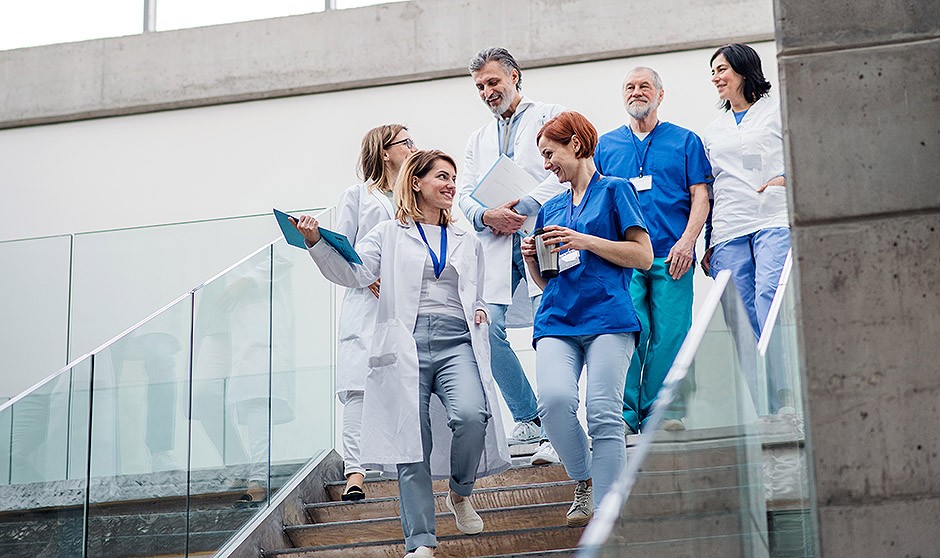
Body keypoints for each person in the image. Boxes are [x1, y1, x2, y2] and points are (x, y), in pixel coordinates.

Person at [295, 150, 511, 558]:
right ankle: (421, 543)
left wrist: (480, 306)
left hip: (456, 342)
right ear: (416, 182)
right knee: (412, 446)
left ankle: (461, 492)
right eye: (442, 177)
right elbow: (356, 274)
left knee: (471, 416)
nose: (451, 185)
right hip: (406, 343)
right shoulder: (388, 234)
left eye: (453, 178)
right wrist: (315, 242)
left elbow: (474, 290)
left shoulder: (466, 238)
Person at [521, 112, 652, 527]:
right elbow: (547, 279)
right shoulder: (551, 207)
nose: (546, 165)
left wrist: (584, 241)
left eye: (549, 154)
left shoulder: (615, 190)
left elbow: (643, 256)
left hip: (608, 318)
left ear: (575, 145)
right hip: (558, 318)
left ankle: (609, 516)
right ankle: (585, 479)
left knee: (603, 411)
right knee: (555, 402)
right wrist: (532, 262)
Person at [458, 47, 566, 464]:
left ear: (514, 76)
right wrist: (486, 214)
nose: (487, 91)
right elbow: (463, 194)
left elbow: (565, 173)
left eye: (493, 82)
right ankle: (528, 415)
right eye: (480, 86)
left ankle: (559, 422)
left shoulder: (551, 115)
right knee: (486, 328)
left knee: (551, 329)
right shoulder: (477, 139)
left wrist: (519, 209)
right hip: (497, 245)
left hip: (542, 235)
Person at [594, 67, 711, 434]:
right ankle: (625, 415)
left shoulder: (685, 141)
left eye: (645, 86)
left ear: (661, 95)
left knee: (672, 333)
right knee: (631, 332)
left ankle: (664, 412)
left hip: (672, 255)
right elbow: (597, 200)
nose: (636, 92)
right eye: (629, 86)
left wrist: (688, 241)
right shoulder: (606, 146)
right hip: (626, 258)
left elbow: (701, 196)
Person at [702, 43, 793, 414]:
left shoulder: (777, 110)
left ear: (744, 70)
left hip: (773, 218)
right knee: (740, 317)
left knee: (768, 296)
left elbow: (804, 153)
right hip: (728, 226)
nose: (716, 78)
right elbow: (708, 188)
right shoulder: (712, 130)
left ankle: (786, 395)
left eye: (722, 69)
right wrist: (707, 240)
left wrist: (785, 178)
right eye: (713, 72)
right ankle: (765, 407)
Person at [332, 124, 417, 501]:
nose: (414, 147)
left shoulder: (415, 198)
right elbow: (337, 252)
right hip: (366, 307)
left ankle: (408, 472)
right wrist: (368, 277)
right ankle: (355, 474)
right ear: (385, 152)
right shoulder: (357, 197)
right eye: (406, 143)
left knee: (404, 386)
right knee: (358, 389)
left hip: (406, 308)